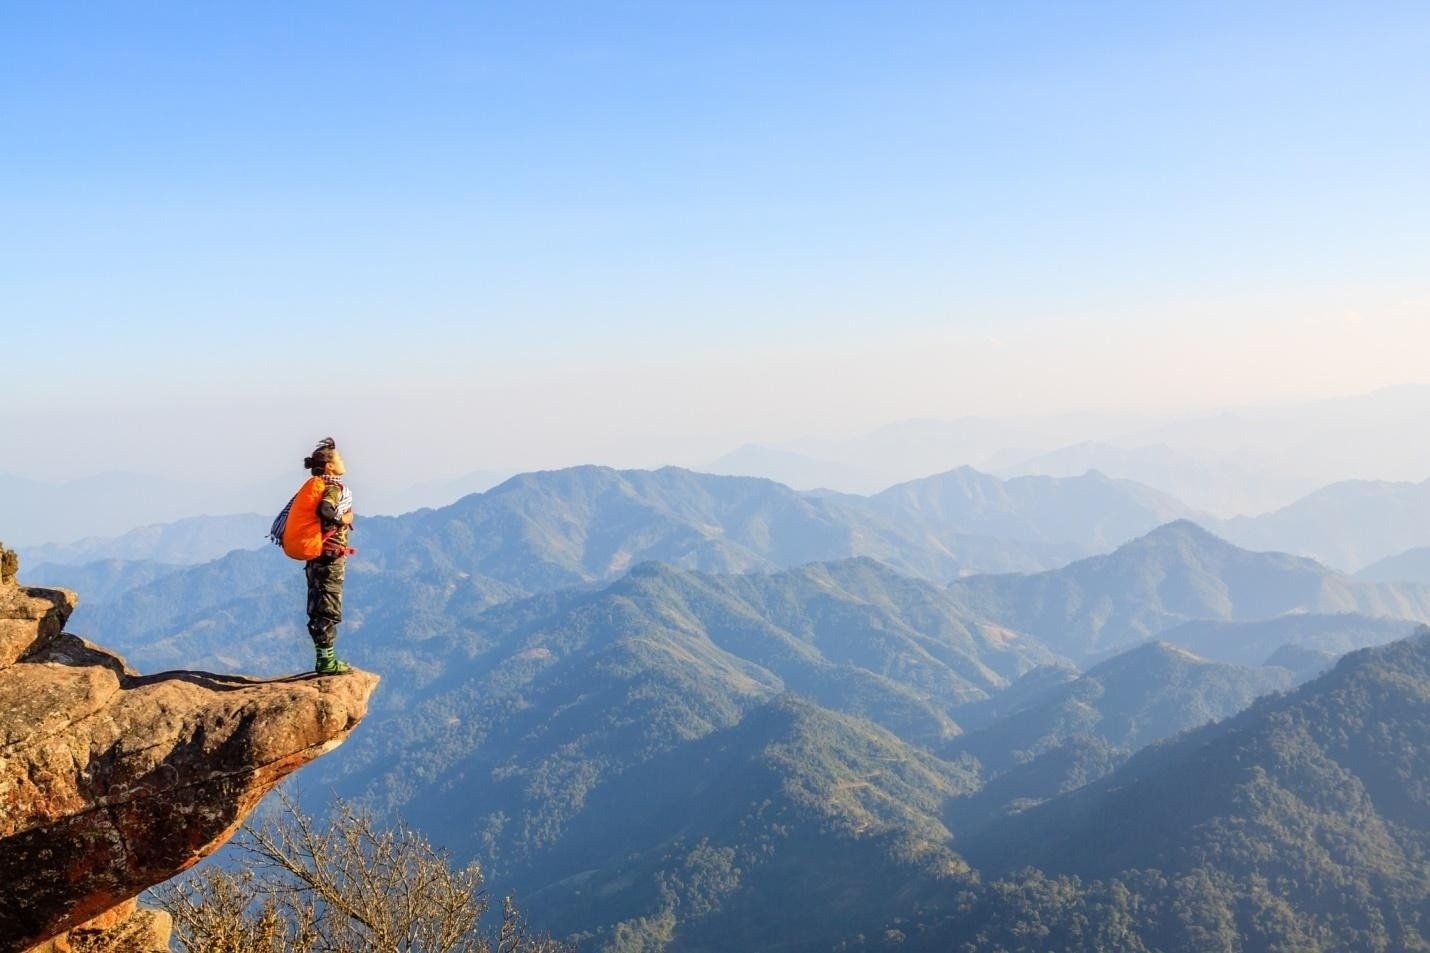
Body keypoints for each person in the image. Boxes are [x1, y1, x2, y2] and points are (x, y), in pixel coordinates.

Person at [301, 437, 356, 674]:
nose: (343, 461)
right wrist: (342, 519)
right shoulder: (332, 488)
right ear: (330, 466)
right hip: (330, 557)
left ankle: (324, 659)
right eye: (339, 458)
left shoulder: (319, 485)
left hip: (316, 555)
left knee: (318, 606)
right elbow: (325, 510)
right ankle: (326, 662)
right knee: (328, 606)